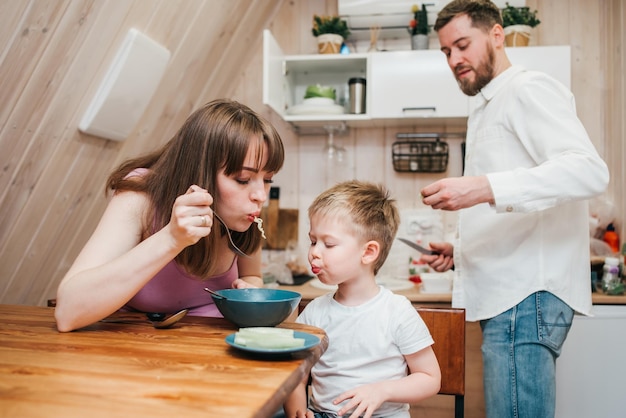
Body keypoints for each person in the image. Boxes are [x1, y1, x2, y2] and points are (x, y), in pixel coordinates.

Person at [419, 1, 610, 417]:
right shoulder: (487, 104)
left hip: (525, 299)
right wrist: (460, 247)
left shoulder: (526, 88)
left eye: (463, 45)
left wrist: (482, 187)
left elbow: (589, 172)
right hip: (514, 297)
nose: (454, 59)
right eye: (446, 52)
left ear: (498, 35)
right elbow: (518, 206)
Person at [55, 99, 285, 332]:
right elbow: (67, 313)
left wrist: (250, 292)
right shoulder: (141, 195)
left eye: (267, 180)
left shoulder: (245, 212)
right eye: (243, 180)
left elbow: (253, 276)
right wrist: (171, 239)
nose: (260, 195)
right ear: (201, 171)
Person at [284, 180, 441, 418]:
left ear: (368, 252)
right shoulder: (314, 313)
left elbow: (430, 378)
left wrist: (382, 391)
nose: (314, 252)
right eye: (313, 241)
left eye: (329, 243)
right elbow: (295, 376)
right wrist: (299, 411)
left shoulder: (396, 311)